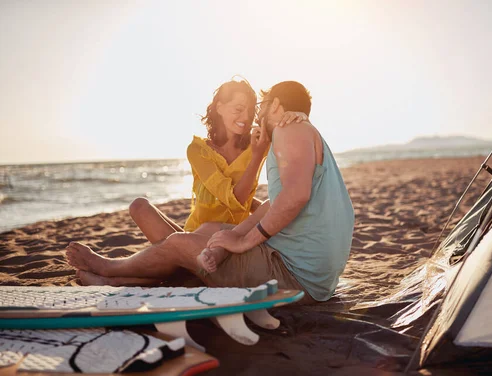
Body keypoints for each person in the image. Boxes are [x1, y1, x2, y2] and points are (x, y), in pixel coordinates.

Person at [66, 81, 354, 304]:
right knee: (209, 229)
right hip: (315, 279)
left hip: (294, 278)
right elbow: (276, 202)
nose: (258, 114)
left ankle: (110, 269)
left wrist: (244, 242)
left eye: (262, 106)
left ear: (276, 105)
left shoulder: (287, 130)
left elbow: (294, 198)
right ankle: (119, 282)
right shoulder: (304, 132)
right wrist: (235, 236)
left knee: (179, 243)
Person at [126, 78, 307, 256]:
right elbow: (232, 199)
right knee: (139, 206)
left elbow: (293, 143)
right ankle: (181, 261)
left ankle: (178, 264)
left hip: (231, 239)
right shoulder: (198, 150)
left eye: (251, 111)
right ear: (219, 107)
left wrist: (299, 117)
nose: (246, 117)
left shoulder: (258, 145)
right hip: (196, 234)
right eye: (238, 109)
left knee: (169, 254)